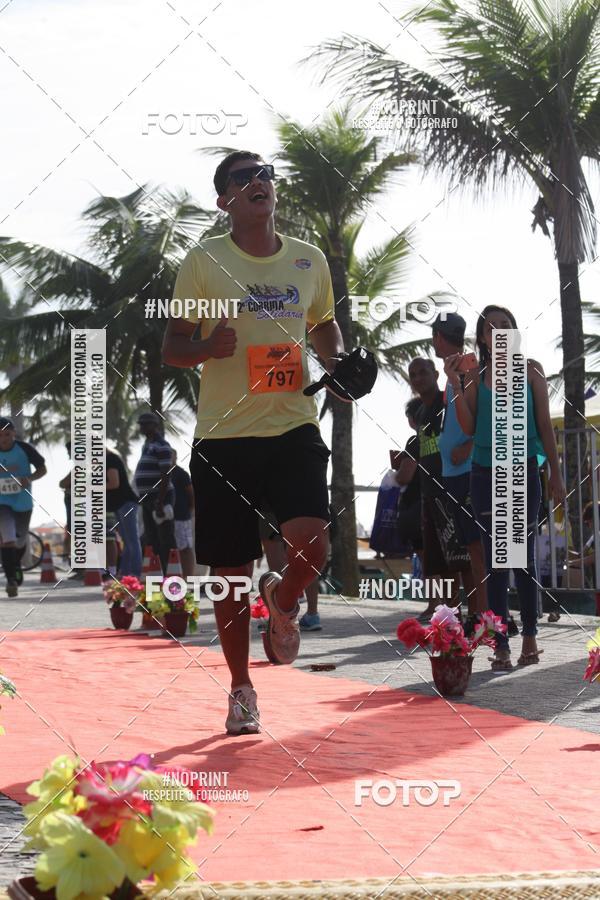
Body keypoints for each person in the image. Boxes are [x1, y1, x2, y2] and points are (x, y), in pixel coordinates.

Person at [162, 150, 345, 735]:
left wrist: (336, 363)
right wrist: (205, 349)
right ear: (225, 201)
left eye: (265, 173)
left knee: (312, 545)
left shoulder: (308, 260)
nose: (259, 182)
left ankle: (285, 601)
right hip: (223, 433)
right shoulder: (204, 261)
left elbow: (322, 326)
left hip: (293, 422)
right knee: (230, 570)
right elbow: (172, 346)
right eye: (245, 178)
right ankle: (241, 688)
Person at [446, 305, 565, 670]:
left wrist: (556, 475)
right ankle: (501, 645)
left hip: (523, 470)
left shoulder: (531, 372)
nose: (498, 330)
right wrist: (455, 384)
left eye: (505, 325)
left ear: (514, 332)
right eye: (491, 326)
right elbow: (468, 428)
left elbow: (544, 427)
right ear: (482, 337)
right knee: (496, 563)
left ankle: (529, 636)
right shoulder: (476, 375)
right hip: (485, 473)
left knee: (522, 559)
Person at [432, 312, 488, 632]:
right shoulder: (455, 369)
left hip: (467, 468)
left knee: (477, 549)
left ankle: (483, 616)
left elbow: (479, 414)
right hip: (454, 471)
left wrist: (467, 446)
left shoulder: (467, 368)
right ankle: (477, 613)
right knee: (469, 549)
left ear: (439, 337)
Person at [407, 358, 473, 622]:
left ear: (436, 374)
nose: (418, 378)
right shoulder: (421, 412)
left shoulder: (448, 403)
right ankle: (448, 614)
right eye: (413, 374)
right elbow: (426, 448)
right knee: (438, 562)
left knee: (462, 558)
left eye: (423, 372)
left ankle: (474, 614)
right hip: (430, 493)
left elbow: (470, 430)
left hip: (452, 488)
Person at [0, 417, 47, 597]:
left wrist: (29, 479)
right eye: (0, 435)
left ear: (13, 433)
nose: (3, 439)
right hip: (1, 502)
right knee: (7, 539)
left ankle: (16, 564)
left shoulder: (25, 449)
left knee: (19, 541)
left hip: (23, 502)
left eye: (7, 434)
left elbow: (43, 469)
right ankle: (11, 580)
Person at [133, 413, 175, 573]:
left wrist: (160, 501)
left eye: (146, 424)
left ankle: (171, 574)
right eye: (141, 424)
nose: (142, 427)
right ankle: (158, 573)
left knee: (165, 538)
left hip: (160, 497)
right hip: (147, 498)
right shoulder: (147, 445)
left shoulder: (162, 445)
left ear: (155, 425)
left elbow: (166, 474)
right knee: (152, 539)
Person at [393, 397, 423, 557]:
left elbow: (405, 476)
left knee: (430, 567)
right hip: (443, 510)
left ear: (412, 420)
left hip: (417, 512)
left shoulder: (414, 441)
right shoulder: (443, 437)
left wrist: (395, 474)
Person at [107, 447, 142, 578]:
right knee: (127, 541)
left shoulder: (110, 459)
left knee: (132, 540)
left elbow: (114, 483)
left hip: (126, 503)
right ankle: (126, 573)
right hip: (119, 505)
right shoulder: (106, 460)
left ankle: (136, 572)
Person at [171, 450, 196, 580]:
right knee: (174, 548)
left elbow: (191, 493)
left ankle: (188, 577)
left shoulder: (181, 474)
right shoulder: (162, 474)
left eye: (171, 455)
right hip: (169, 518)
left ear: (176, 456)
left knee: (186, 548)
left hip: (182, 516)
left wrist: (191, 509)